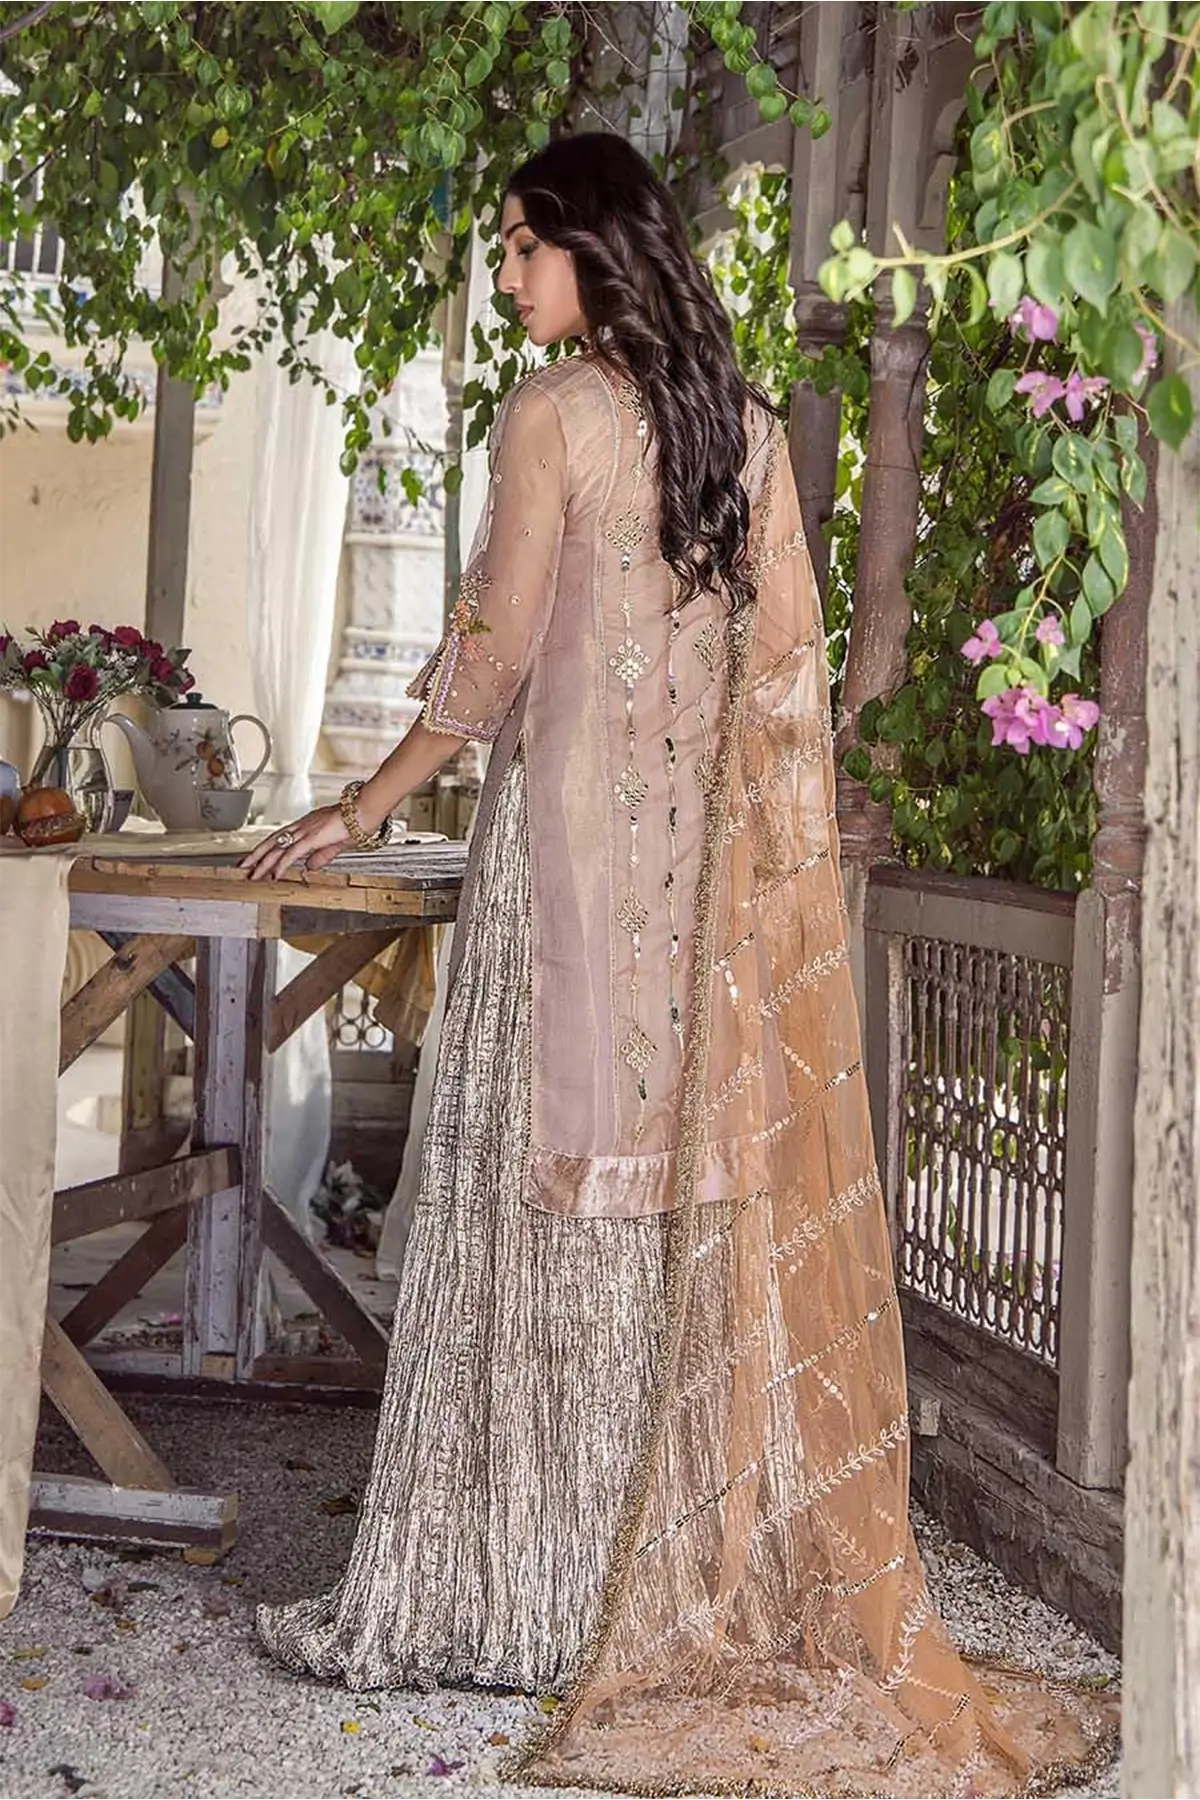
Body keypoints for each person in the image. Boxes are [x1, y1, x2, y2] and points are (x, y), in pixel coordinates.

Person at [242, 133, 1116, 1795]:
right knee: (664, 1208)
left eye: (523, 246)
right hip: (703, 913)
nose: (508, 275)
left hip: (564, 879)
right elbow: (784, 683)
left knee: (547, 1196)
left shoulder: (552, 413)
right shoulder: (745, 432)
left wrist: (356, 805)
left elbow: (491, 659)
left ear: (598, 252)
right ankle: (666, 1583)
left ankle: (515, 1594)